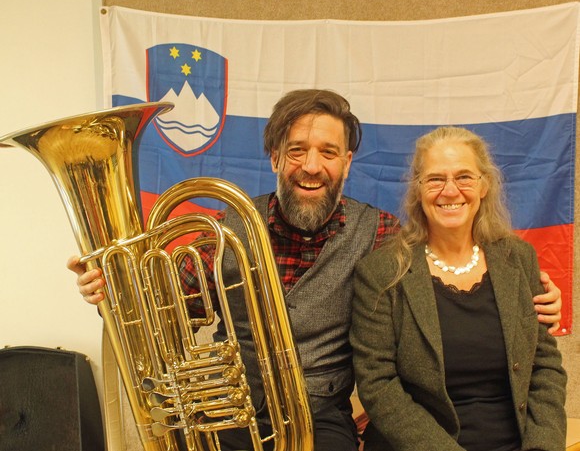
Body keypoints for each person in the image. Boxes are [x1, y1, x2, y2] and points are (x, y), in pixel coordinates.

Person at [67, 91, 563, 451]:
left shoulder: (382, 234)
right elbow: (167, 309)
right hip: (234, 410)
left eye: (328, 152)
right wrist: (112, 288)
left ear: (347, 163)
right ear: (276, 157)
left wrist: (533, 297)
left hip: (322, 415)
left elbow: (448, 287)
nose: (312, 165)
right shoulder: (227, 225)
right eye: (298, 151)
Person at [350, 126, 567, 451]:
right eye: (435, 179)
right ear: (418, 189)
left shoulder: (518, 259)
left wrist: (542, 446)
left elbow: (545, 367)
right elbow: (378, 385)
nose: (450, 191)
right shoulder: (382, 272)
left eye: (464, 177)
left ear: (484, 186)